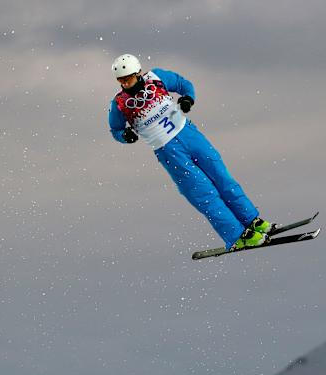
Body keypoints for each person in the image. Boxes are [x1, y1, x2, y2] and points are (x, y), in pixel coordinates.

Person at [107, 54, 272, 250]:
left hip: (189, 134)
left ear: (139, 72)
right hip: (168, 151)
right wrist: (125, 135)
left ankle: (251, 220)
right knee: (202, 191)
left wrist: (188, 98)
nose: (125, 83)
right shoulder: (119, 104)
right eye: (121, 80)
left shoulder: (156, 77)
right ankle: (237, 235)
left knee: (221, 176)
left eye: (129, 78)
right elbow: (115, 130)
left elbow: (183, 84)